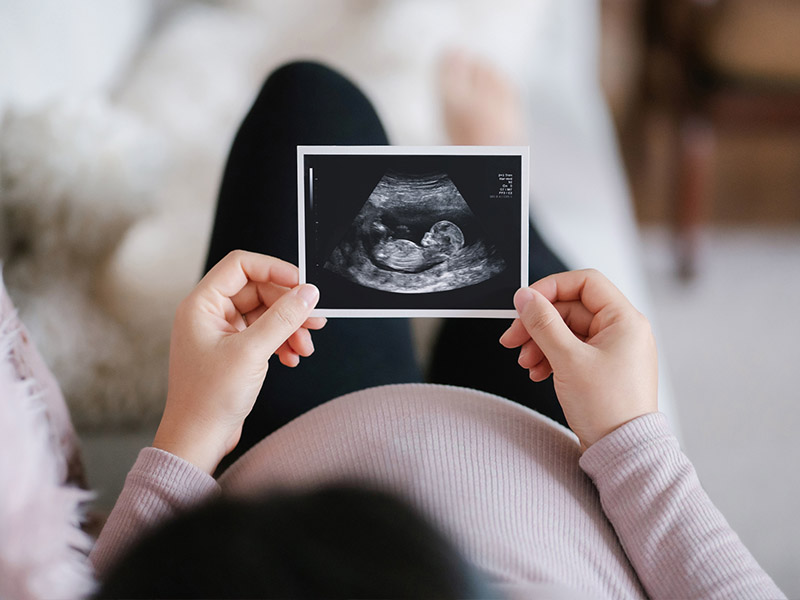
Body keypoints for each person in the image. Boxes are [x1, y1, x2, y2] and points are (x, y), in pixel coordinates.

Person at [90, 58, 784, 599]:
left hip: (281, 442)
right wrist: (632, 440)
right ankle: (500, 174)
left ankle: (495, 186)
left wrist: (189, 431)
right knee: (536, 281)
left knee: (309, 99)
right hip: (566, 446)